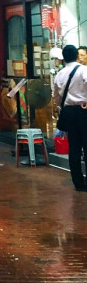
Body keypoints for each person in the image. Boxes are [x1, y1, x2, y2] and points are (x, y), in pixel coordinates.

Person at [52, 44, 87, 191]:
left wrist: (63, 104)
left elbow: (56, 96)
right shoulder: (84, 69)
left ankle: (78, 183)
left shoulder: (60, 74)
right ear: (76, 55)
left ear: (63, 57)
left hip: (69, 111)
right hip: (83, 110)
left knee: (74, 148)